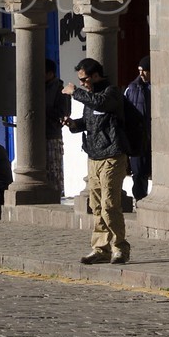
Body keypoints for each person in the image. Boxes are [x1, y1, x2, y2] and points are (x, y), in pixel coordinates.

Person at [62, 57, 132, 264]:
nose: (82, 83)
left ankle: (120, 247)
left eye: (85, 79)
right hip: (94, 156)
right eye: (80, 81)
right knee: (97, 206)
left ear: (95, 76)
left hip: (112, 155)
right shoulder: (90, 97)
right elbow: (89, 122)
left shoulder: (111, 93)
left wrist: (75, 92)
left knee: (109, 204)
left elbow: (102, 104)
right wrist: (73, 124)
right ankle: (101, 248)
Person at [122, 56, 152, 203]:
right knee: (138, 171)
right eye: (139, 70)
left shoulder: (158, 87)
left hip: (155, 136)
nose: (141, 74)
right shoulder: (132, 88)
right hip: (138, 137)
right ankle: (140, 199)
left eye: (145, 71)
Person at [44, 61, 71, 200]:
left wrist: (44, 109)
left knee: (53, 171)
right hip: (39, 135)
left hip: (52, 135)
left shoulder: (60, 90)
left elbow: (63, 113)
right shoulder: (41, 87)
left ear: (50, 73)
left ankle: (54, 197)